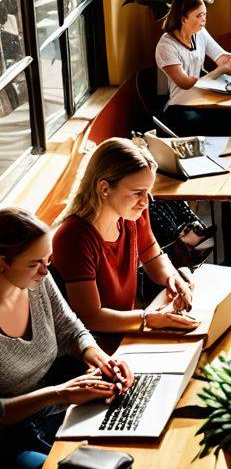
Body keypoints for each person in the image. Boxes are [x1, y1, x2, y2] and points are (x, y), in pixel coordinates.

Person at [0, 209, 134, 469]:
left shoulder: (36, 284)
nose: (46, 272)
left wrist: (101, 358)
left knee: (121, 453)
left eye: (48, 260)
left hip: (47, 410)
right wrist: (59, 394)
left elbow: (70, 328)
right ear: (2, 262)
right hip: (8, 443)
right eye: (36, 263)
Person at [52, 139, 200, 337]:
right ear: (104, 189)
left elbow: (151, 253)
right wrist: (147, 320)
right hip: (94, 346)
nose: (146, 202)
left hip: (128, 330)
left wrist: (173, 278)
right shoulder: (74, 237)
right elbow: (90, 317)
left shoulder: (132, 213)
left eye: (148, 192)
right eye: (138, 192)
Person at [155, 0, 231, 135]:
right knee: (201, 123)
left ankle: (230, 154)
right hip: (180, 105)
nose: (204, 20)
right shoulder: (165, 46)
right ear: (183, 19)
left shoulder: (199, 32)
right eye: (199, 15)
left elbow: (222, 57)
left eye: (205, 14)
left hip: (201, 98)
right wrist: (221, 70)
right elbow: (185, 83)